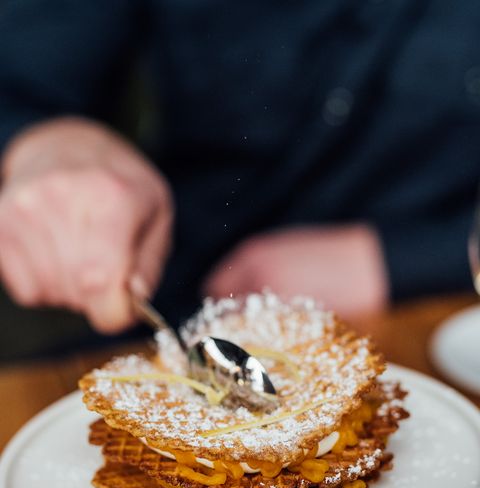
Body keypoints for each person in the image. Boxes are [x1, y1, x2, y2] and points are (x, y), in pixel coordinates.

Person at [0, 0, 479, 336]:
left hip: (445, 311)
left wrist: (401, 260)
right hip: (177, 307)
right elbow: (21, 75)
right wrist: (45, 145)